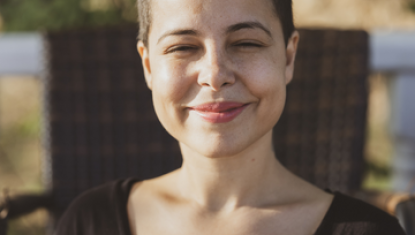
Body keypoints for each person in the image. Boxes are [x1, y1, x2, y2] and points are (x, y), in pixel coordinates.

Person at [55, 0, 406, 234]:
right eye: (182, 47)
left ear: (288, 57)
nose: (215, 74)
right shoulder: (91, 221)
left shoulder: (368, 231)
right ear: (148, 66)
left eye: (246, 43)